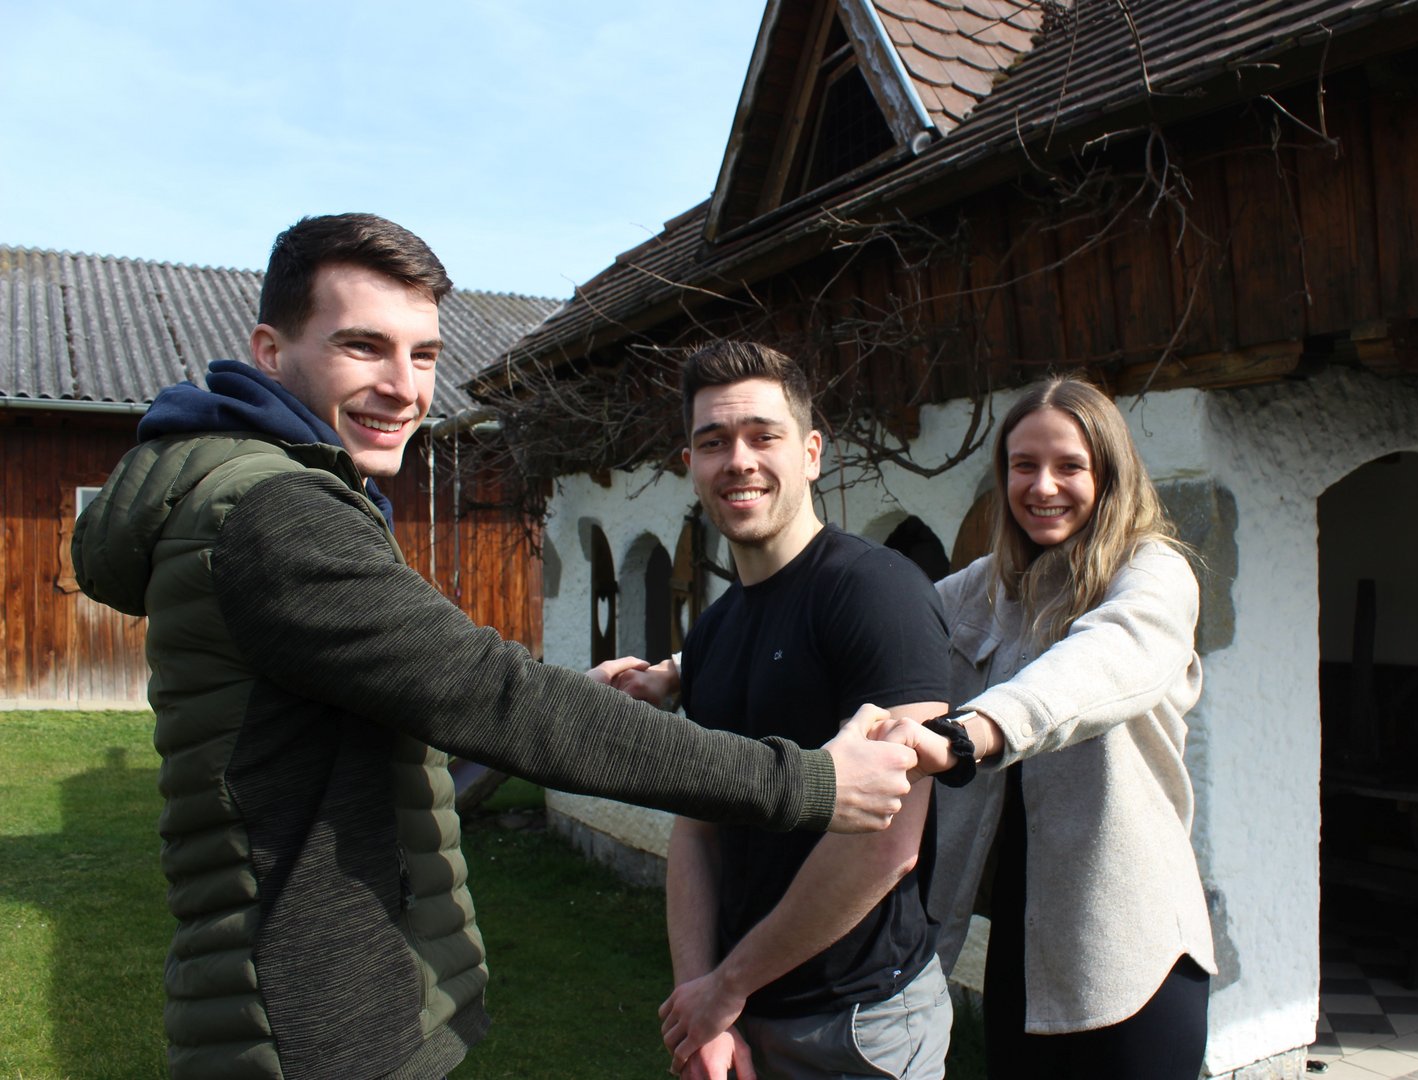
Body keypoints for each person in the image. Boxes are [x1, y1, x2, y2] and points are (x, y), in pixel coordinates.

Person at [69, 214, 929, 1080]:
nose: (403, 387)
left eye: (424, 355)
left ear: (813, 452)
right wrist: (810, 782)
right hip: (304, 1012)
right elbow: (494, 699)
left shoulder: (267, 494)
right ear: (269, 351)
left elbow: (419, 703)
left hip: (307, 994)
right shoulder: (279, 513)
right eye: (363, 347)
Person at [599, 341, 956, 1079]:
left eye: (763, 436)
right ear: (691, 464)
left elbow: (888, 844)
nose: (739, 460)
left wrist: (724, 989)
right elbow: (698, 828)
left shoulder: (877, 594)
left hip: (859, 1027)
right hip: (739, 1020)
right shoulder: (713, 631)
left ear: (812, 453)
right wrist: (702, 1004)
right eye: (713, 442)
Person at [912, 375, 1217, 1079]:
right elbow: (875, 631)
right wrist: (687, 666)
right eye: (1024, 465)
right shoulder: (987, 585)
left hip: (1134, 953)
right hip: (1024, 947)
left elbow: (1101, 659)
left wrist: (976, 729)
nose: (1042, 486)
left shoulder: (1154, 574)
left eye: (1069, 465)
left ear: (1109, 475)